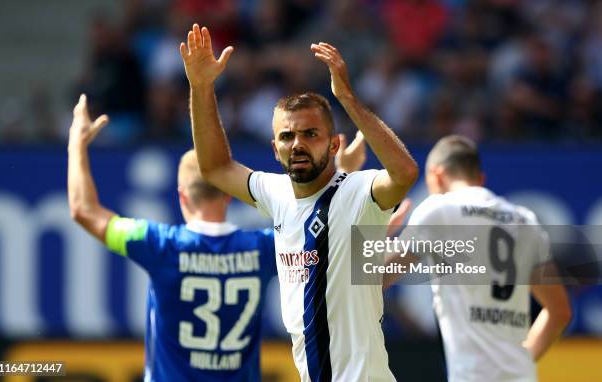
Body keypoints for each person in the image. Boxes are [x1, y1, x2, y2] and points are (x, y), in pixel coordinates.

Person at [67, 94, 366, 381]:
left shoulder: (160, 246)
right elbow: (326, 231)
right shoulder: (263, 248)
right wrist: (342, 171)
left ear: (182, 197)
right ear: (228, 195)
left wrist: (77, 146)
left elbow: (84, 211)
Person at [180, 24, 418, 381]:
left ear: (333, 144)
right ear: (274, 150)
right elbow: (214, 167)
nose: (298, 144)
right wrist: (201, 87)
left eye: (310, 134)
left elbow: (404, 173)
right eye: (287, 136)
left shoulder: (358, 193)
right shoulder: (274, 194)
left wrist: (348, 100)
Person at [386, 135, 571, 382]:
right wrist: (524, 360)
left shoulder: (438, 210)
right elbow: (559, 312)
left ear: (435, 176)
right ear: (481, 179)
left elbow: (377, 278)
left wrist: (380, 235)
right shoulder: (525, 219)